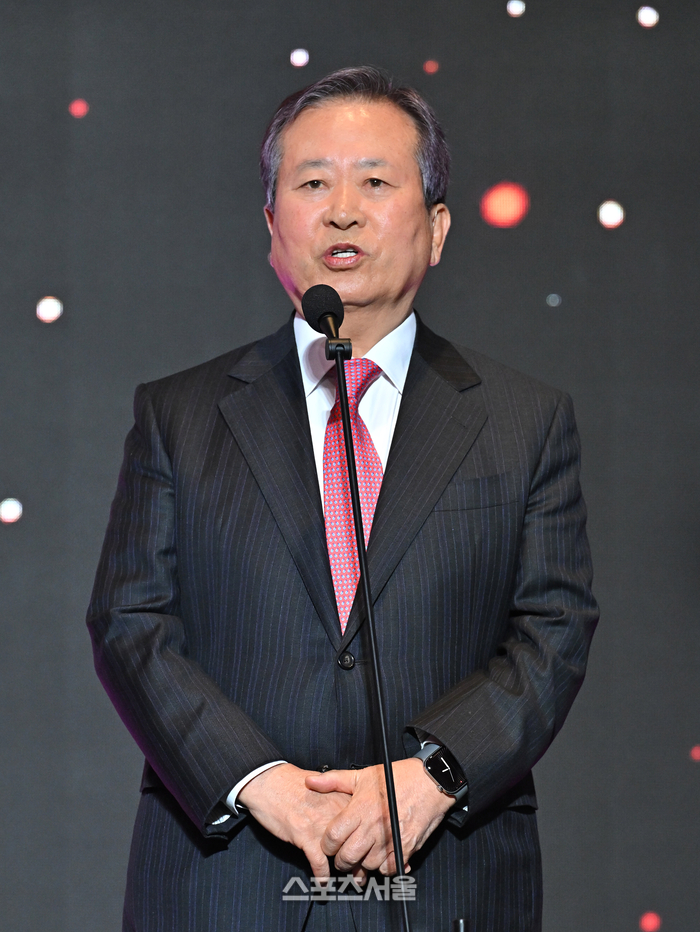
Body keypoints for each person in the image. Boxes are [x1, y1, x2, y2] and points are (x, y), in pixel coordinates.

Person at [87, 66, 598, 932]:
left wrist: (434, 775)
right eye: (313, 183)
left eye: (375, 182)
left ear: (437, 230)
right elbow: (130, 622)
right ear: (271, 226)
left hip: (445, 878)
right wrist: (260, 781)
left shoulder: (524, 421)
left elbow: (554, 627)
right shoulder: (180, 416)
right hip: (229, 879)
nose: (342, 212)